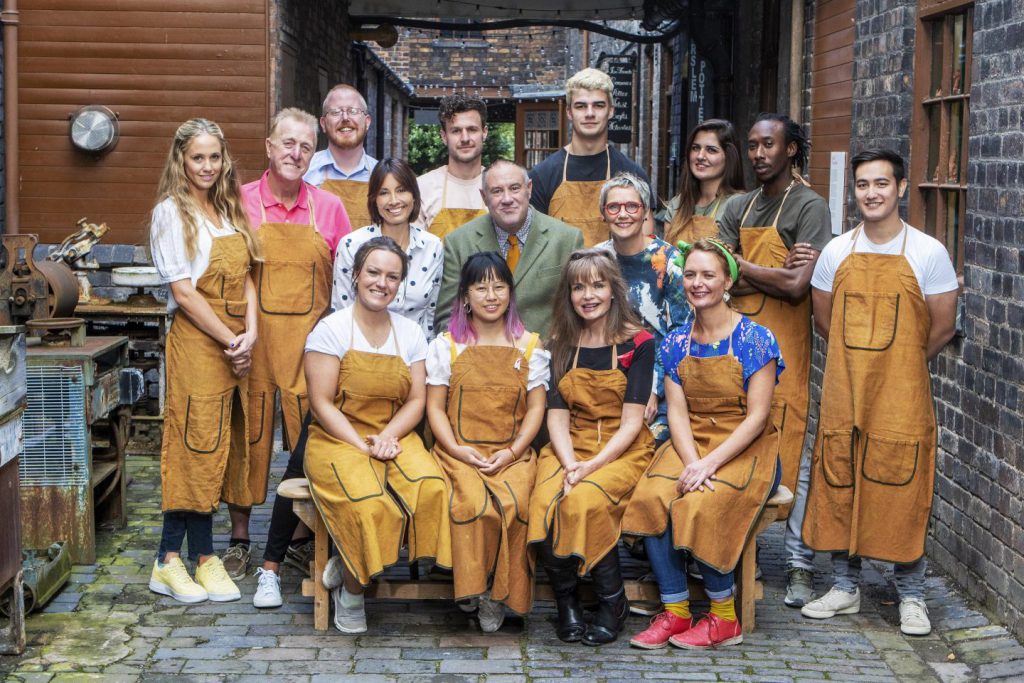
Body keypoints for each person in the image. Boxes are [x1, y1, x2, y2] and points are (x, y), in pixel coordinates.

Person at [799, 149, 958, 636]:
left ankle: (912, 595)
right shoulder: (836, 251)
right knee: (839, 478)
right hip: (846, 388)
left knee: (902, 486)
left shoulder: (928, 252)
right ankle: (845, 588)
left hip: (902, 393)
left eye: (881, 184)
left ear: (902, 188)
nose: (871, 193)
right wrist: (860, 361)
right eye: (863, 184)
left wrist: (899, 362)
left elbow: (943, 327)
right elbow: (823, 319)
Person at [622, 238, 784, 649]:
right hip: (691, 440)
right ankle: (676, 612)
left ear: (727, 280)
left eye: (708, 275)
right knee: (652, 496)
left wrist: (708, 465)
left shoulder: (756, 339)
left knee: (701, 502)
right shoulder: (676, 342)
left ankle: (723, 617)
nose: (697, 283)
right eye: (690, 274)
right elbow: (676, 412)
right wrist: (691, 462)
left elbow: (757, 417)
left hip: (744, 445)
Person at [303, 236, 452, 634]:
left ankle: (349, 557)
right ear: (355, 275)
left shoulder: (410, 333)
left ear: (401, 283)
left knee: (432, 488)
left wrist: (386, 438)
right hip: (338, 437)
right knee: (370, 504)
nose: (381, 283)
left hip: (395, 433)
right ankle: (353, 590)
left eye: (392, 276)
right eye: (373, 272)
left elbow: (417, 400)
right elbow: (321, 403)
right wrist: (363, 445)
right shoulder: (330, 330)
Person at [232, 108, 351, 596]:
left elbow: (345, 287)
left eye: (305, 146)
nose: (295, 153)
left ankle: (301, 538)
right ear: (268, 145)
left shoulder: (330, 208)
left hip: (311, 347)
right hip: (253, 342)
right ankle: (240, 537)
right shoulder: (239, 204)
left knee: (310, 442)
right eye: (287, 143)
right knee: (249, 433)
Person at [716, 113, 832, 607]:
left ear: (791, 150)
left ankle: (798, 563)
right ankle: (742, 555)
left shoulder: (810, 206)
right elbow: (713, 277)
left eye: (770, 145)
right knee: (735, 446)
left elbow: (796, 286)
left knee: (788, 450)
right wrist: (765, 270)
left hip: (785, 347)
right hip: (735, 347)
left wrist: (740, 266)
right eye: (754, 144)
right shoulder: (738, 205)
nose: (760, 153)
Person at [147, 118, 262, 603]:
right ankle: (181, 560)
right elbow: (184, 293)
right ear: (181, 160)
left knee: (224, 446)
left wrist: (251, 332)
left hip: (237, 343)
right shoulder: (171, 213)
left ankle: (189, 558)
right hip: (199, 343)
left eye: (215, 157)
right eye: (198, 157)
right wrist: (230, 340)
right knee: (195, 445)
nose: (208, 166)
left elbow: (249, 278)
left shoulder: (227, 208)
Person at [527, 249, 656, 646]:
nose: (588, 295)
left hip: (623, 447)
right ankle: (566, 604)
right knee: (542, 502)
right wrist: (569, 465)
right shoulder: (561, 343)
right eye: (578, 287)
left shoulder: (639, 342)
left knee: (584, 501)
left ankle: (611, 601)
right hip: (571, 445)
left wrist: (590, 468)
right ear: (568, 294)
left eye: (598, 285)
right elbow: (557, 419)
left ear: (613, 290)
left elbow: (633, 422)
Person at [426, 252, 549, 633]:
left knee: (514, 505)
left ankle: (497, 595)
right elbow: (434, 408)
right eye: (481, 287)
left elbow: (535, 411)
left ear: (511, 293)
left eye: (499, 286)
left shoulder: (529, 346)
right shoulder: (446, 346)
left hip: (512, 454)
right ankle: (472, 585)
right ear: (465, 296)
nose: (490, 295)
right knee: (471, 503)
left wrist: (512, 452)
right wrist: (457, 450)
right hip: (458, 452)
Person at [436, 159, 583, 339]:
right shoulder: (458, 242)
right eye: (497, 191)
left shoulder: (566, 239)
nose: (507, 199)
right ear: (484, 197)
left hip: (548, 357)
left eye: (514, 188)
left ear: (529, 188)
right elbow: (447, 318)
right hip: (479, 358)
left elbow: (580, 311)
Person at [595, 172, 690, 444]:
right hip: (606, 377)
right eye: (614, 207)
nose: (623, 214)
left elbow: (680, 334)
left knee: (647, 446)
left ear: (645, 211)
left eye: (632, 206)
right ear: (603, 213)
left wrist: (653, 390)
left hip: (659, 379)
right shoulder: (596, 260)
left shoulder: (670, 262)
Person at [528, 68, 655, 247]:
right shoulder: (542, 175)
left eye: (598, 105)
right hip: (561, 275)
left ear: (611, 111)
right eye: (581, 106)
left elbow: (645, 248)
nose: (589, 113)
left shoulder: (633, 175)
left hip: (617, 275)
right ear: (569, 112)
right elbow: (535, 246)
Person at [333, 158, 444, 339]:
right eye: (384, 193)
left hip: (413, 356)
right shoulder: (351, 245)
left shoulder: (433, 247)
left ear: (414, 195)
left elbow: (430, 318)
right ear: (374, 200)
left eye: (401, 190)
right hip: (360, 353)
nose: (394, 201)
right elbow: (341, 312)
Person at [415, 95, 489, 239]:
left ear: (484, 132)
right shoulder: (422, 188)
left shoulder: (499, 187)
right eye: (456, 131)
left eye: (472, 129)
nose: (465, 138)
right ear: (444, 136)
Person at [662, 119, 746, 246]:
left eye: (711, 150)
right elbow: (666, 258)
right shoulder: (677, 204)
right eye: (695, 148)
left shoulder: (739, 205)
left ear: (729, 157)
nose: (700, 156)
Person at [305, 84, 378, 230]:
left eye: (353, 111)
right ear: (323, 124)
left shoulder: (381, 175)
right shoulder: (305, 170)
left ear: (367, 122)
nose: (345, 118)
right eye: (335, 112)